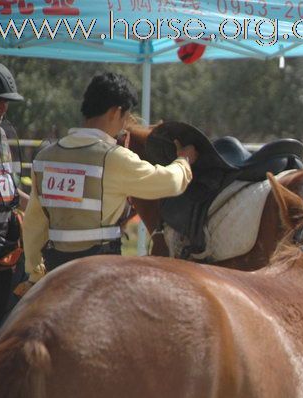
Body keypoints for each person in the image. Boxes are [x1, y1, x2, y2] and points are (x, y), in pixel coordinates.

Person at [18, 72, 198, 293]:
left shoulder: (45, 158)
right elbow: (167, 182)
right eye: (124, 118)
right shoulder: (114, 158)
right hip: (100, 274)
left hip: (55, 272)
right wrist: (184, 161)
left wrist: (35, 274)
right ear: (115, 111)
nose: (123, 127)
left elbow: (34, 223)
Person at [0, 61, 28, 335]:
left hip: (3, 261)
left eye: (6, 103)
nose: (3, 109)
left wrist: (42, 209)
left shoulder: (3, 138)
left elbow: (9, 192)